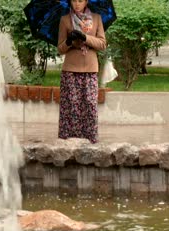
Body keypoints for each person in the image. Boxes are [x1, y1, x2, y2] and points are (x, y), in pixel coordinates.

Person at [57, 0, 107, 144]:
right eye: (73, 0)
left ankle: (90, 138)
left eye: (80, 0)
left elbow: (102, 44)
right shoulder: (65, 20)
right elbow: (60, 48)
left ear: (86, 1)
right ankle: (70, 140)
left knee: (90, 104)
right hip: (70, 69)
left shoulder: (96, 18)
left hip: (90, 68)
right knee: (71, 105)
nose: (76, 4)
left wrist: (85, 37)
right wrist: (69, 41)